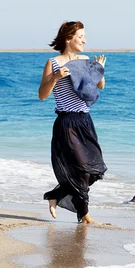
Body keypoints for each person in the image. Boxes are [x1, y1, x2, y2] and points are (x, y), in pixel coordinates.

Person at [39, 21, 107, 224]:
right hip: (66, 122)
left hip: (85, 120)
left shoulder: (85, 59)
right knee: (82, 168)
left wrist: (99, 69)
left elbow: (99, 86)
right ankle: (85, 215)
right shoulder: (54, 63)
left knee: (94, 169)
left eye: (84, 36)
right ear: (69, 38)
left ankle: (56, 195)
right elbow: (42, 95)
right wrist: (55, 78)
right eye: (80, 36)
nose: (84, 40)